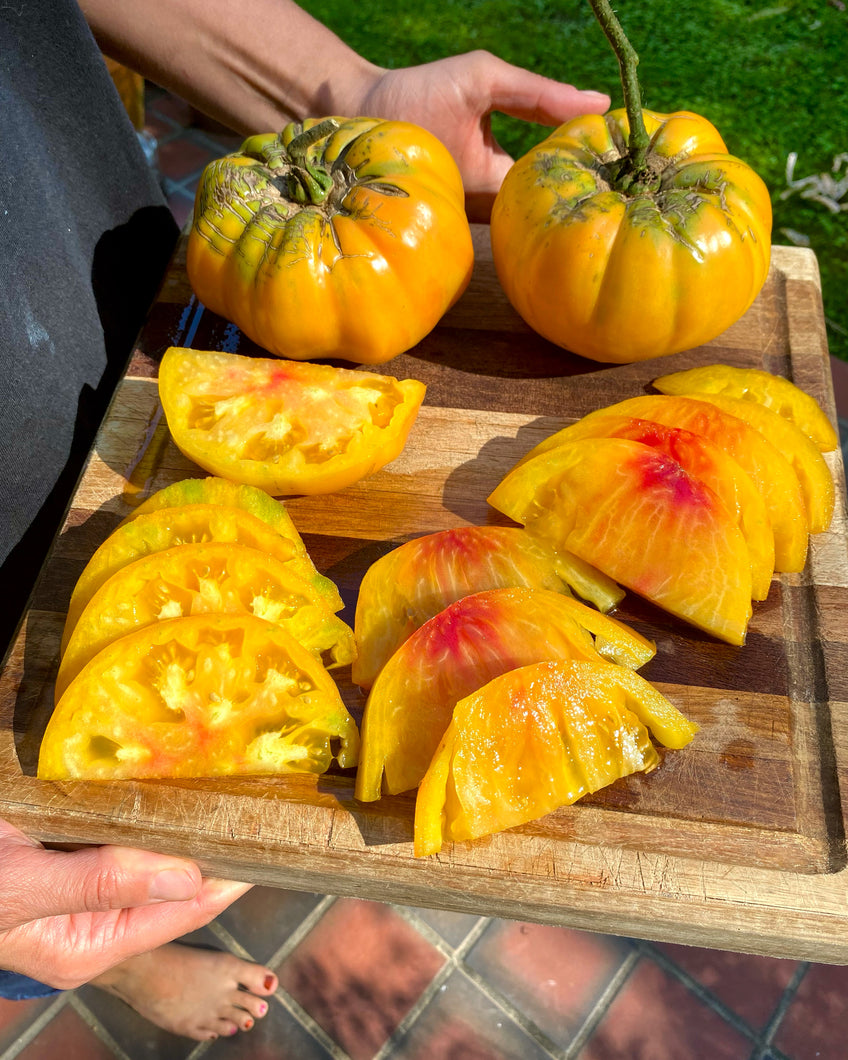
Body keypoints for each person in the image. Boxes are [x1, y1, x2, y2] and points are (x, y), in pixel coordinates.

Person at [0, 0, 610, 1042]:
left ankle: (111, 958)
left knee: (69, 882)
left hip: (116, 282)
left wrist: (341, 97)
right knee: (41, 910)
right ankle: (110, 974)